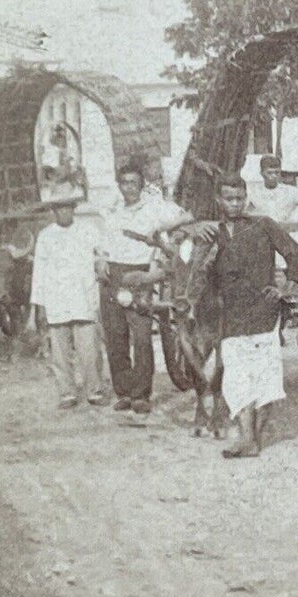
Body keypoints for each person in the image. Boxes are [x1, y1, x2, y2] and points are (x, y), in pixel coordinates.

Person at [206, 175, 298, 458]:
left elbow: (295, 252)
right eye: (228, 198)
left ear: (246, 197)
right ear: (219, 200)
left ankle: (254, 438)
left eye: (239, 198)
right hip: (232, 318)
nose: (235, 204)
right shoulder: (215, 233)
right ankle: (248, 439)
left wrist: (287, 287)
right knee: (237, 379)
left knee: (265, 378)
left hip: (263, 313)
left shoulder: (264, 225)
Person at [96, 162, 190, 415]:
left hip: (139, 275)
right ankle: (124, 391)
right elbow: (102, 242)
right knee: (115, 337)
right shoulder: (114, 212)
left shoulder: (155, 208)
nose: (129, 188)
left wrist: (160, 236)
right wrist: (102, 259)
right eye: (124, 183)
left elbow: (185, 217)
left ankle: (140, 394)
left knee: (141, 337)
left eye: (134, 183)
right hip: (112, 276)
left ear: (141, 185)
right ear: (119, 185)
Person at [29, 189, 107, 409]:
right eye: (58, 208)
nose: (63, 212)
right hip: (56, 299)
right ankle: (67, 392)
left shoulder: (88, 230)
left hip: (83, 297)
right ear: (53, 211)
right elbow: (39, 273)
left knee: (89, 350)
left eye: (67, 207)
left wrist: (101, 262)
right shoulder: (45, 236)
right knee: (60, 352)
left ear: (74, 209)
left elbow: (102, 253)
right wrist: (40, 304)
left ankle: (94, 389)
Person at [246, 153, 298, 231]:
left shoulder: (290, 191)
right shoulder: (253, 192)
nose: (274, 176)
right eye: (269, 173)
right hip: (262, 233)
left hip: (285, 233)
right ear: (261, 173)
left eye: (276, 172)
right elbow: (244, 213)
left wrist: (296, 218)